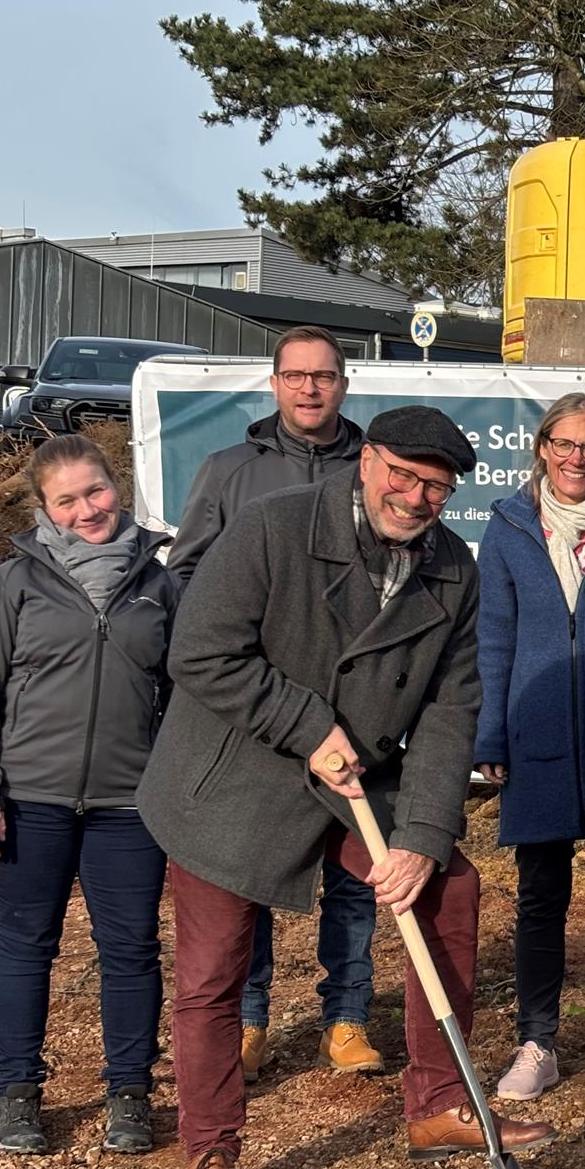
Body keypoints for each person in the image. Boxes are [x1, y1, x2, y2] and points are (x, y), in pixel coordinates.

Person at [137, 406, 554, 1169]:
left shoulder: (452, 571)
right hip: (235, 772)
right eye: (403, 475)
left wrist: (423, 837)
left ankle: (440, 1103)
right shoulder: (272, 529)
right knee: (214, 971)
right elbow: (200, 651)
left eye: (436, 487)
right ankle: (210, 1149)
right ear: (367, 462)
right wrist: (305, 725)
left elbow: (449, 709)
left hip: (360, 775)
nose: (416, 497)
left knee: (447, 892)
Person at [0, 436, 181, 1157]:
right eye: (67, 500)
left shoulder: (159, 584)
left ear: (117, 486)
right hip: (30, 799)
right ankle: (17, 1092)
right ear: (44, 509)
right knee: (26, 945)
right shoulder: (10, 583)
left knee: (131, 949)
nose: (87, 510)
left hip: (130, 806)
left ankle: (129, 1093)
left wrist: (173, 785)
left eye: (96, 491)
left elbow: (181, 694)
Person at [169, 325, 380, 1084]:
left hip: (352, 709)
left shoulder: (373, 468)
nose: (309, 389)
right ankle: (250, 1020)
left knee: (354, 877)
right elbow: (187, 576)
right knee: (250, 871)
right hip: (260, 712)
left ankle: (346, 1019)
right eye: (296, 376)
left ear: (344, 384)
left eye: (323, 376)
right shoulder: (231, 471)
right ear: (275, 383)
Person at [476, 393, 585, 1101]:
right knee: (540, 896)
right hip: (537, 732)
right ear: (543, 448)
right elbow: (494, 636)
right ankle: (537, 1042)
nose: (576, 459)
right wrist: (492, 732)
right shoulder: (509, 524)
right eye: (564, 444)